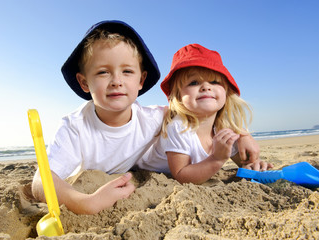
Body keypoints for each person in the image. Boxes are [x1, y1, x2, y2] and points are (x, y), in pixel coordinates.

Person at [32, 21, 262, 215]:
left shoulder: (153, 118)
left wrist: (243, 134)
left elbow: (200, 110)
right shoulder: (75, 127)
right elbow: (41, 181)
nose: (116, 81)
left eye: (127, 71)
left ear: (141, 80)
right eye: (103, 72)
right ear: (84, 82)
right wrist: (87, 202)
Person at [138, 43, 273, 184]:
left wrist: (253, 164)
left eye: (215, 81)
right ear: (178, 96)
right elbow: (181, 175)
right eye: (194, 82)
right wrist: (217, 159)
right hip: (142, 166)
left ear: (226, 93)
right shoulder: (179, 126)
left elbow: (244, 162)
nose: (206, 87)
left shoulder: (222, 129)